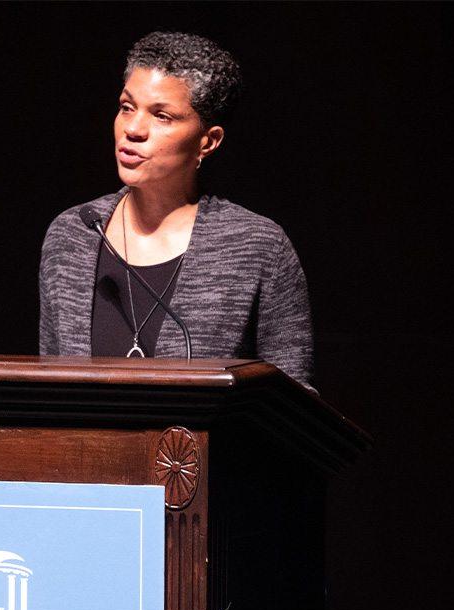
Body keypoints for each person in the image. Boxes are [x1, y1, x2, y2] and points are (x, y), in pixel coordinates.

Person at [39, 31, 314, 387]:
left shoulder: (258, 247)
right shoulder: (72, 235)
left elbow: (294, 406)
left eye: (162, 116)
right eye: (126, 107)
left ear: (208, 141)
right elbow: (48, 392)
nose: (133, 129)